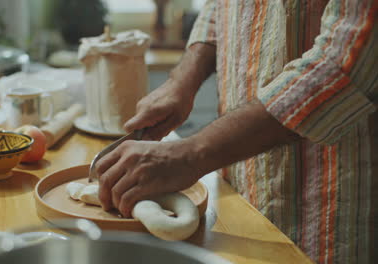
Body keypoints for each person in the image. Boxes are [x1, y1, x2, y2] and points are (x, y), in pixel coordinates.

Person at [95, 0, 377, 263]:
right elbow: (219, 8)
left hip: (332, 215)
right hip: (242, 199)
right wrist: (181, 80)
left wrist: (189, 155)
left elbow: (348, 61)